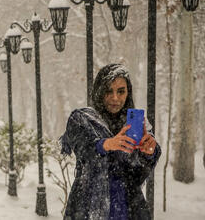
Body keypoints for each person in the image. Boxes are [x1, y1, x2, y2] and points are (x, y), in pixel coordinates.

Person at [60, 63, 161, 220]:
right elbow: (84, 151)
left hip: (129, 208)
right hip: (88, 207)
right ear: (99, 92)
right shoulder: (82, 119)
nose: (115, 98)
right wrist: (106, 144)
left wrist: (149, 152)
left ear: (128, 93)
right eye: (108, 91)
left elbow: (137, 175)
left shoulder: (135, 125)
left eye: (121, 91)